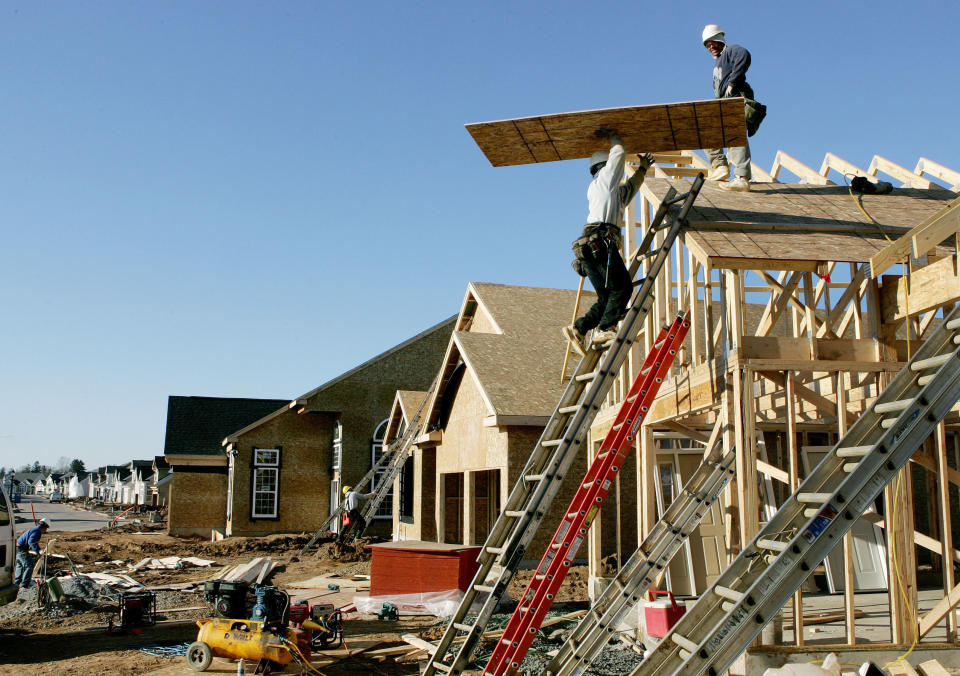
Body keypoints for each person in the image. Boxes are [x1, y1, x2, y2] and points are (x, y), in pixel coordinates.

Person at [564, 132, 653, 354]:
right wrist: (616, 136)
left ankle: (580, 328)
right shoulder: (604, 180)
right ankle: (605, 327)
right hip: (600, 242)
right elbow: (619, 153)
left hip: (590, 247)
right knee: (622, 289)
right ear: (605, 167)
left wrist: (642, 169)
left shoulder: (609, 192)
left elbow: (629, 189)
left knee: (606, 297)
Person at [702, 24, 755, 192]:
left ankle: (741, 177)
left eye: (714, 43)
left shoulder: (730, 50)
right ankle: (720, 167)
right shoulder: (718, 64)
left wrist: (733, 83)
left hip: (734, 97)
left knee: (734, 135)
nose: (712, 47)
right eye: (708, 45)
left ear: (720, 40)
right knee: (708, 130)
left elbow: (744, 55)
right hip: (723, 101)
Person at [15, 518, 50, 590]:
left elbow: (31, 542)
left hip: (17, 547)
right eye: (46, 528)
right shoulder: (37, 531)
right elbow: (32, 542)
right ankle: (24, 585)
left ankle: (16, 583)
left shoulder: (35, 529)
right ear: (44, 526)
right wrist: (38, 551)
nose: (46, 530)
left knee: (20, 565)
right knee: (29, 565)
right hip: (21, 548)